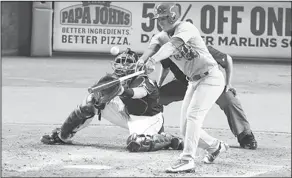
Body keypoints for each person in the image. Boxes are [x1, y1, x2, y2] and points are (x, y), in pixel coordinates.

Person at [137, 3, 229, 173]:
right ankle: (215, 146)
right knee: (185, 128)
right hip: (193, 81)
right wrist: (142, 61)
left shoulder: (186, 28)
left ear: (172, 16)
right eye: (159, 19)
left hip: (211, 77)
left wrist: (153, 61)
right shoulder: (160, 36)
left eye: (163, 18)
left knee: (193, 116)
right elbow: (151, 48)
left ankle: (187, 160)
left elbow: (171, 47)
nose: (160, 22)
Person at [40, 48, 183, 153]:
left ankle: (167, 139)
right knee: (92, 101)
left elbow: (138, 93)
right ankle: (62, 136)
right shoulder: (114, 80)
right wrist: (100, 100)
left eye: (127, 63)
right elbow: (99, 97)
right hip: (126, 114)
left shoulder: (144, 80)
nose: (123, 66)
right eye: (120, 62)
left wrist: (122, 91)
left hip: (148, 120)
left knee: (137, 143)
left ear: (135, 66)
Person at [157, 46, 258, 150]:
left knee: (229, 99)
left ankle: (245, 135)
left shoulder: (198, 46)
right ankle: (156, 132)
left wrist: (228, 84)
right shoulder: (166, 49)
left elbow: (227, 59)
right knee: (156, 97)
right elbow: (166, 67)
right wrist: (159, 84)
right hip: (184, 83)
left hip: (209, 82)